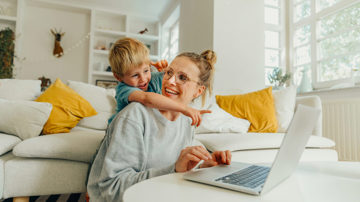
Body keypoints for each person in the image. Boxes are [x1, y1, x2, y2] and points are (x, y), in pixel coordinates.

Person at [87, 50, 232, 202]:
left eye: (182, 77)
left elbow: (179, 170)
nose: (170, 81)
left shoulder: (187, 122)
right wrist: (174, 170)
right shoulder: (134, 116)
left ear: (198, 91)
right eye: (169, 73)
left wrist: (203, 166)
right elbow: (112, 189)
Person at [107, 37, 210, 126]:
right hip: (121, 131)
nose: (143, 79)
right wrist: (184, 108)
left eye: (146, 70)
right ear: (119, 77)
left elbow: (171, 77)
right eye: (135, 75)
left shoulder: (151, 78)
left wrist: (164, 70)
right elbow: (147, 98)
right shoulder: (124, 89)